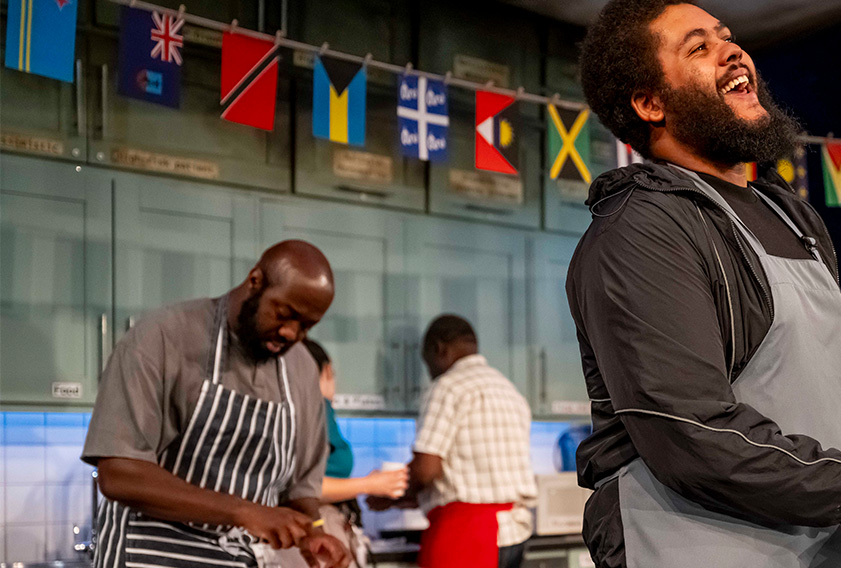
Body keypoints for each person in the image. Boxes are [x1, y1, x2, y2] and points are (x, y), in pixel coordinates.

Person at [566, 0, 841, 568]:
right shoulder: (639, 231)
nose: (732, 51)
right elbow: (691, 432)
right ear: (650, 104)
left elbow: (805, 398)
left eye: (727, 37)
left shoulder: (792, 217)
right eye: (697, 48)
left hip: (816, 545)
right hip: (695, 547)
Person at [82, 240, 350, 568]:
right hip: (147, 558)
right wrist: (245, 511)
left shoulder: (301, 368)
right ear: (255, 281)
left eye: (306, 326)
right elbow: (119, 473)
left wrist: (314, 532)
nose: (291, 333)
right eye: (283, 314)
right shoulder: (164, 337)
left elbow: (300, 492)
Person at [372, 315, 537, 568]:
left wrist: (390, 493)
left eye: (427, 363)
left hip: (468, 535)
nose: (430, 373)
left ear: (439, 349)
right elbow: (476, 477)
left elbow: (427, 470)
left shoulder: (447, 387)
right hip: (514, 533)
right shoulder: (510, 391)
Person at [270, 339, 409, 568]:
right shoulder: (315, 408)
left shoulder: (290, 411)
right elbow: (304, 488)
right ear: (324, 371)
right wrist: (369, 484)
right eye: (332, 374)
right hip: (315, 530)